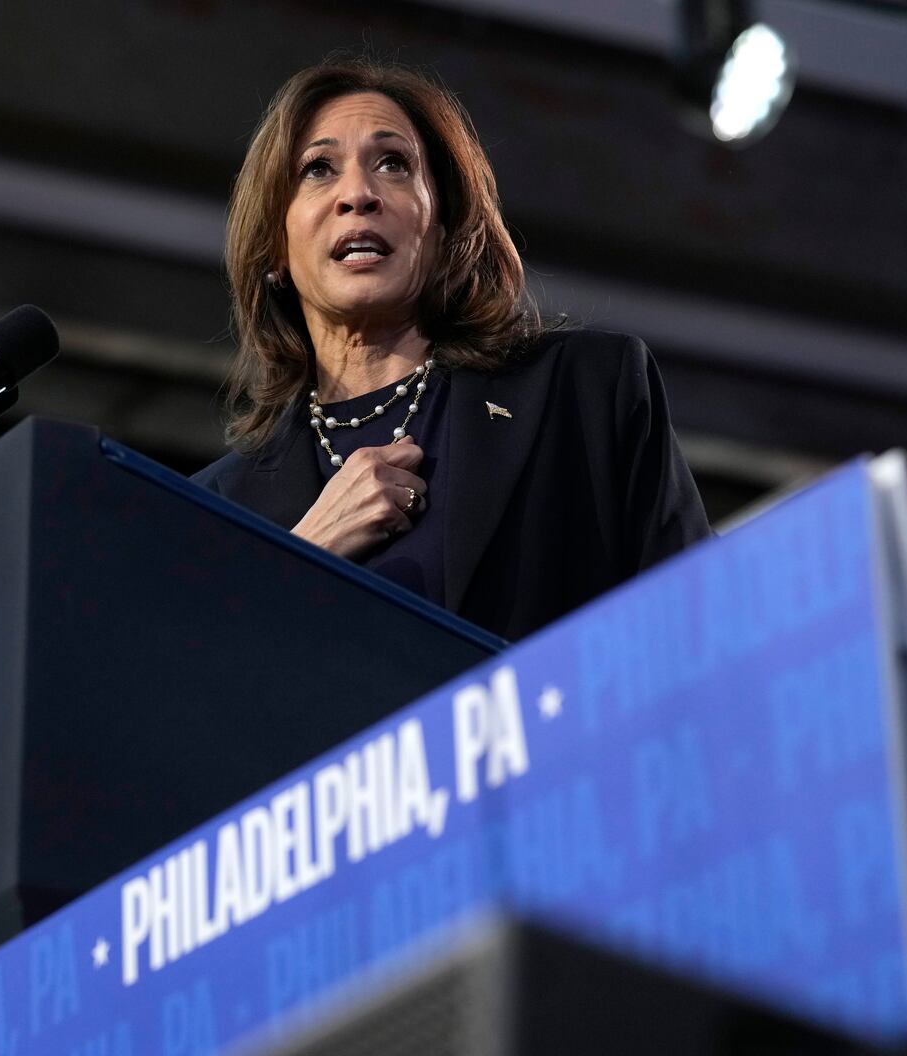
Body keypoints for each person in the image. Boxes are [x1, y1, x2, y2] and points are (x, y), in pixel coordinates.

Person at [193, 59, 711, 642]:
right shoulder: (215, 507)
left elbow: (701, 629)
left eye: (394, 164)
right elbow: (197, 700)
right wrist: (304, 552)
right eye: (317, 169)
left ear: (443, 224)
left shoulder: (586, 392)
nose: (358, 193)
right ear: (274, 247)